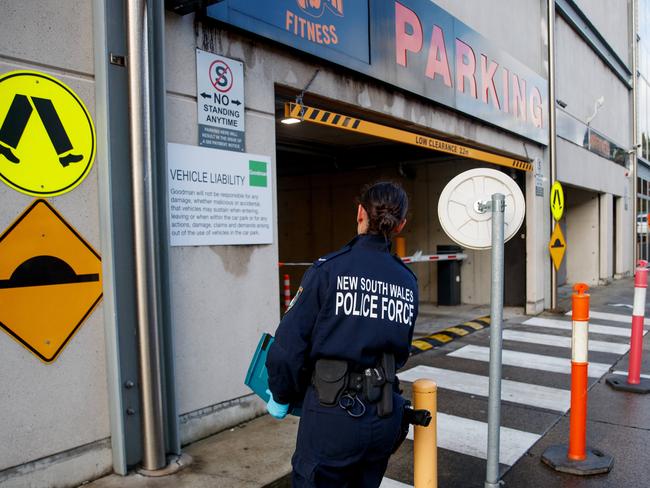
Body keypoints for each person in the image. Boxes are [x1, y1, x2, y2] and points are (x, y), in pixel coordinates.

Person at [266, 181, 419, 487]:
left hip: (333, 414)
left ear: (360, 212)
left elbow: (288, 349)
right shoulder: (407, 281)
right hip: (385, 411)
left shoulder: (328, 270)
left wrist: (281, 395)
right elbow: (400, 351)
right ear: (400, 225)